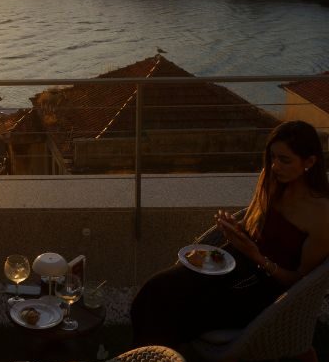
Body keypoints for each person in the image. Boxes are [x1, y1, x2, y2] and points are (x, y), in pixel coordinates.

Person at [131, 121, 329, 348]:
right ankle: (138, 359)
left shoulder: (322, 215)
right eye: (273, 157)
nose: (275, 166)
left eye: (285, 160)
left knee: (186, 305)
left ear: (310, 162)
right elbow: (253, 224)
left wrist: (258, 258)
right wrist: (235, 228)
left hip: (265, 289)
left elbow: (300, 281)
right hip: (236, 260)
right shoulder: (272, 180)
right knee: (155, 290)